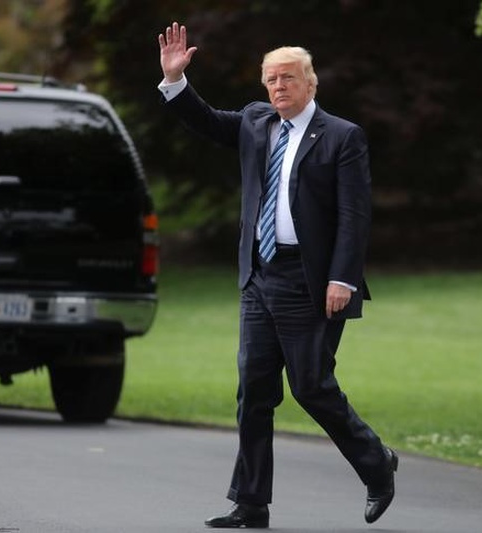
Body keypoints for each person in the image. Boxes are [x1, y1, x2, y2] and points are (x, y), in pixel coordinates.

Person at [157, 22, 397, 528]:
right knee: (254, 390)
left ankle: (377, 464)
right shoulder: (255, 121)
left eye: (288, 77)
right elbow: (204, 121)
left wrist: (343, 278)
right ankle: (250, 503)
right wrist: (176, 81)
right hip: (260, 276)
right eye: (270, 79)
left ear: (311, 83)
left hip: (311, 282)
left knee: (311, 387)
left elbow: (355, 216)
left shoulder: (341, 136)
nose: (278, 86)